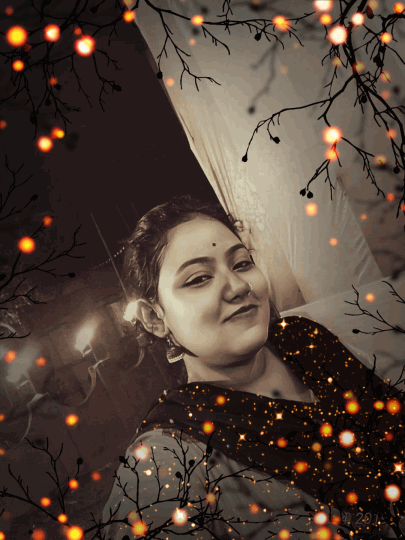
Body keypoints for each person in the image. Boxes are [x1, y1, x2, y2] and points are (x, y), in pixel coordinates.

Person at [101, 195, 402, 540]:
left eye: (242, 263)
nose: (239, 287)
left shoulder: (306, 341)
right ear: (154, 318)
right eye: (198, 279)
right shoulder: (166, 458)